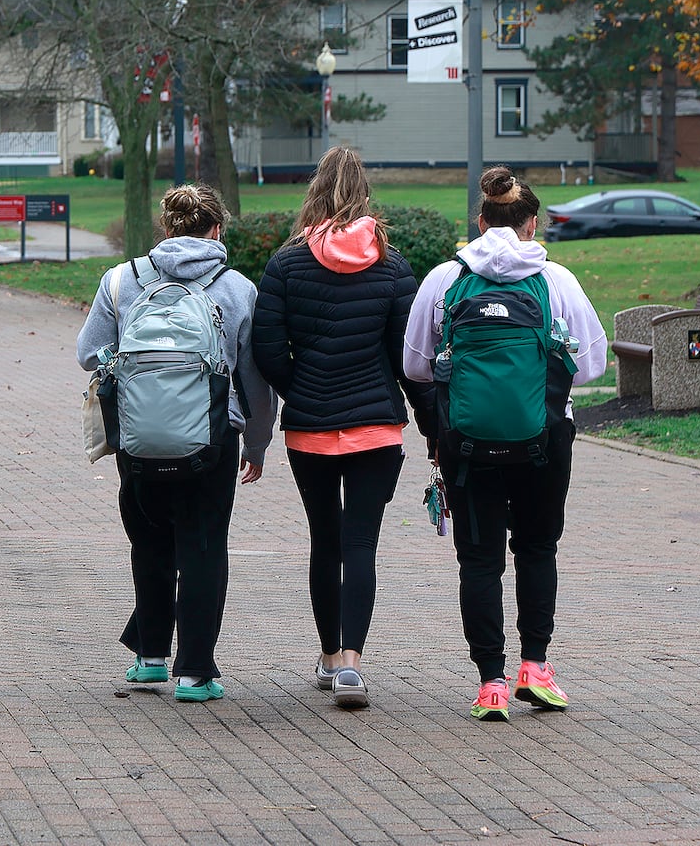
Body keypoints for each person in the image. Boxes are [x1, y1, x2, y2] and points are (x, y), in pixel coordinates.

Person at [403, 166, 606, 722]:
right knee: (537, 550)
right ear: (531, 225)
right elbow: (591, 364)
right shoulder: (557, 280)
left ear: (481, 220)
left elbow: (415, 365)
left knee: (479, 561)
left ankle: (489, 681)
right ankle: (535, 667)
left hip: (466, 443)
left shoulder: (446, 279)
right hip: (544, 439)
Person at [251, 147, 437, 710]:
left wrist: (299, 389)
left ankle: (329, 655)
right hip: (377, 427)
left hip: (310, 428)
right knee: (361, 542)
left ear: (313, 189)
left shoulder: (285, 265)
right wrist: (431, 426)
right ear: (365, 192)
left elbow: (266, 348)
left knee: (323, 539)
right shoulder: (393, 265)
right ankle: (353, 663)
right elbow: (411, 358)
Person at [76, 185, 277, 703]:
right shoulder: (236, 288)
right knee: (204, 545)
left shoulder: (122, 280)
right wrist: (257, 443)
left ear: (166, 229)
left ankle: (148, 659)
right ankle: (194, 672)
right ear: (216, 229)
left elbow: (88, 353)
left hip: (138, 437)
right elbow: (254, 378)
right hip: (211, 438)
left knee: (149, 543)